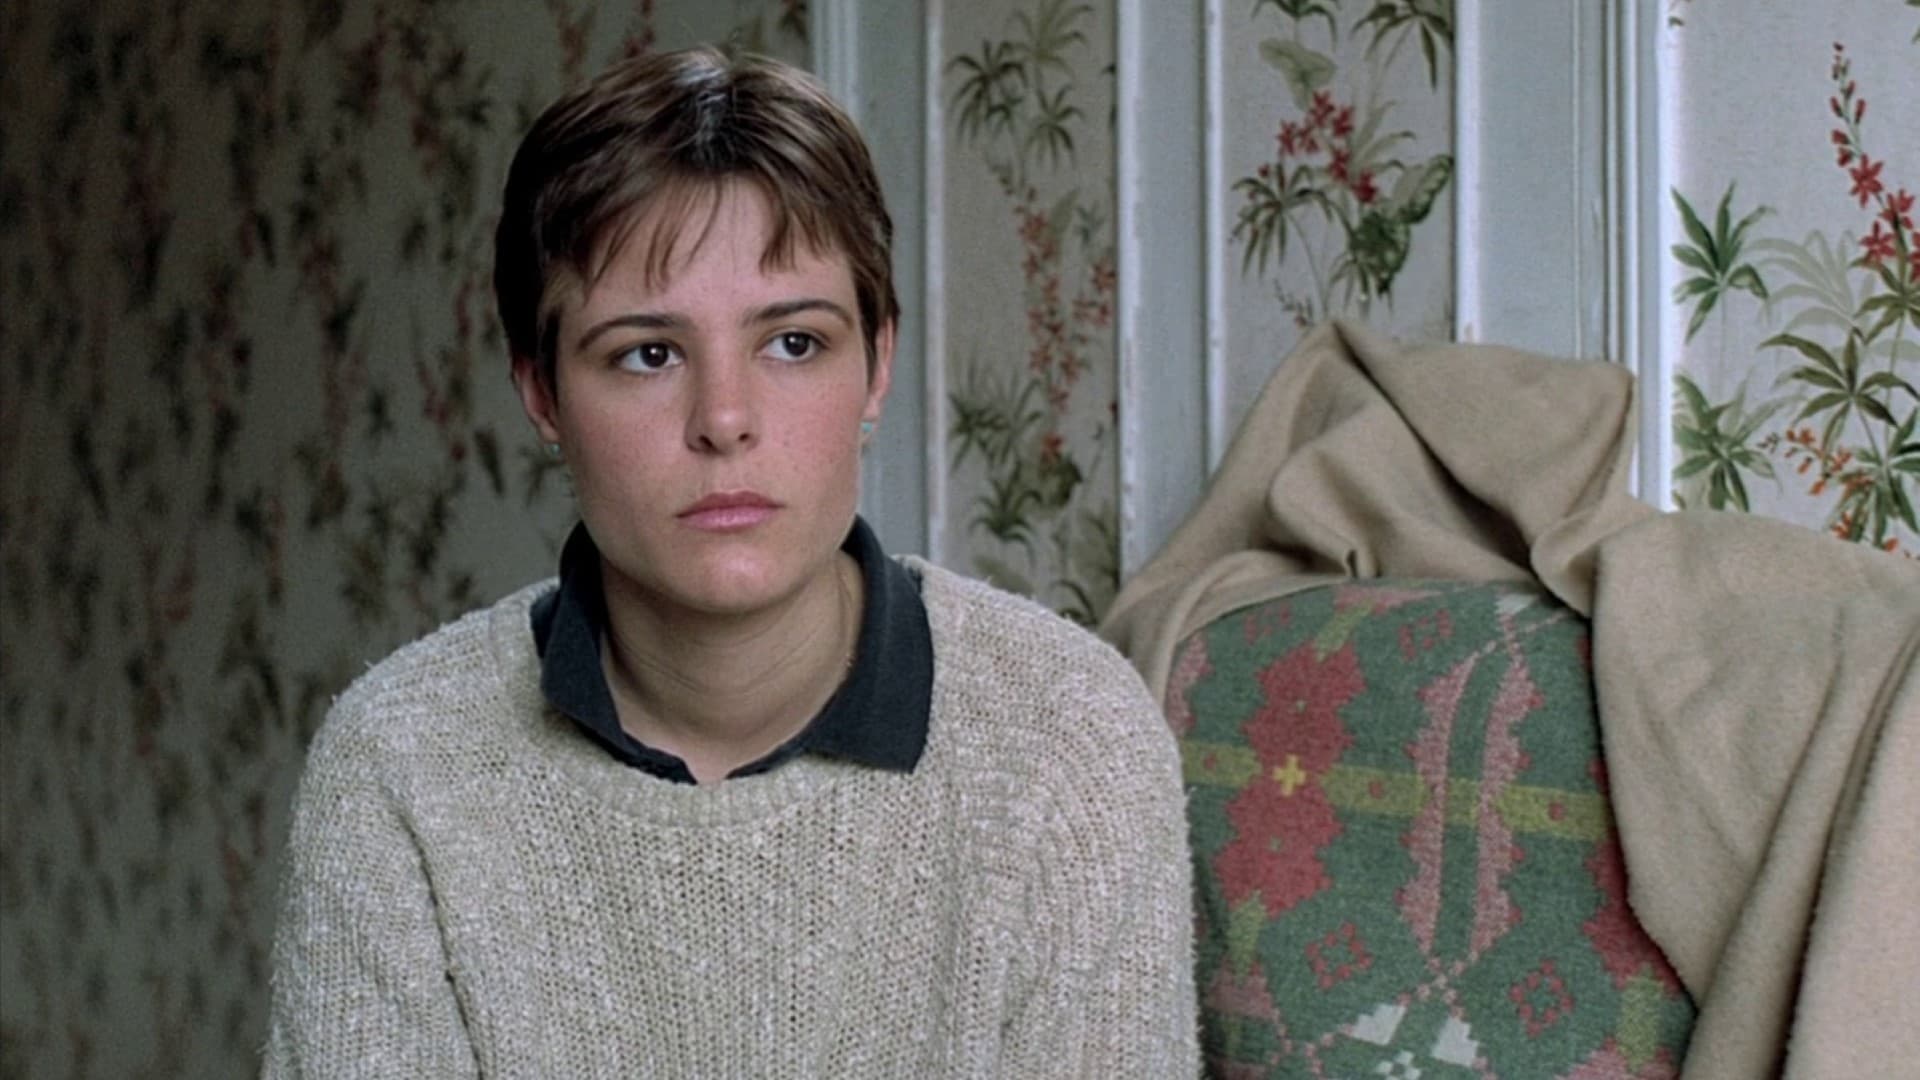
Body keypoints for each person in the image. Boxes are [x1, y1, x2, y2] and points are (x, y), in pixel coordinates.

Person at [263, 46, 1196, 1077]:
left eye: (793, 343)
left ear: (877, 364)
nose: (724, 419)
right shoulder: (401, 767)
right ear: (542, 394)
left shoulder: (1069, 741)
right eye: (647, 353)